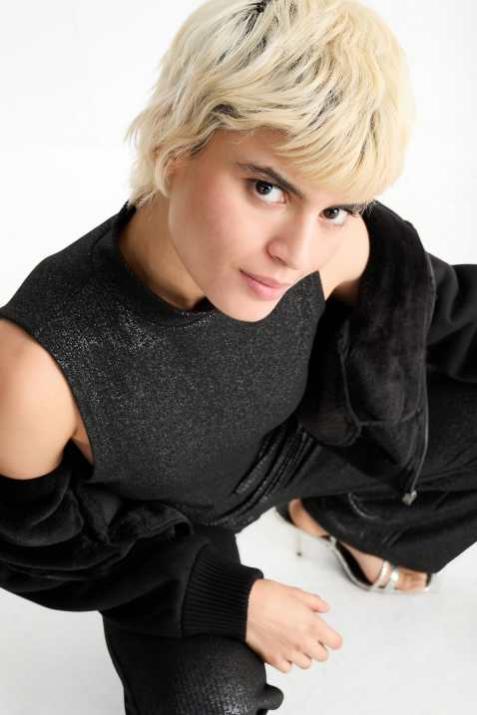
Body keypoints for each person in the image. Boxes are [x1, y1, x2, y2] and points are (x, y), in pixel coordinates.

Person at [1, 0, 476, 712]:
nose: (297, 252)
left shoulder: (335, 245)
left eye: (336, 208)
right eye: (266, 188)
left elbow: (448, 314)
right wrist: (222, 594)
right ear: (176, 146)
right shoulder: (34, 367)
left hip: (287, 448)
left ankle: (358, 523)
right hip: (166, 527)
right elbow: (36, 547)